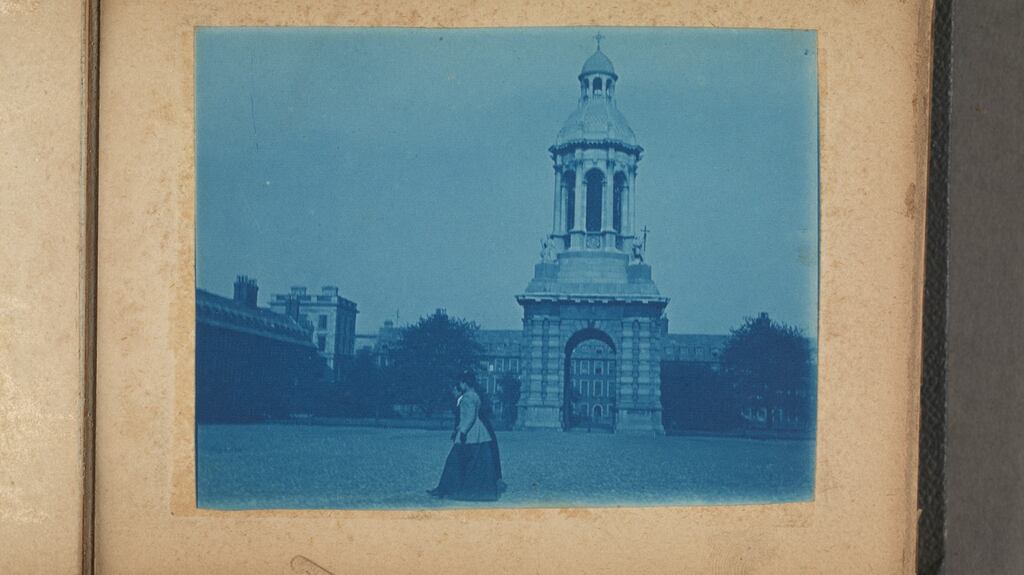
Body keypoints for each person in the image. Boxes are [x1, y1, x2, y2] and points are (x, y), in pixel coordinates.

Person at [427, 372, 501, 501]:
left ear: (466, 383)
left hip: (469, 434)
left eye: (461, 383)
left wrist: (462, 432)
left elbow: (470, 417)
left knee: (453, 461)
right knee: (475, 463)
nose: (460, 385)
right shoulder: (475, 395)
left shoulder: (467, 397)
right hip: (478, 433)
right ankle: (454, 489)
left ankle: (444, 489)